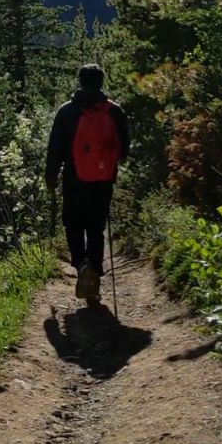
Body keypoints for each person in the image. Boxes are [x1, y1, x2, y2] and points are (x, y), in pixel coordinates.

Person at [45, 64, 130, 302]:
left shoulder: (67, 112)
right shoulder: (114, 111)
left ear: (80, 82)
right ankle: (94, 273)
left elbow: (55, 150)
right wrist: (107, 163)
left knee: (72, 223)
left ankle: (82, 263)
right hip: (103, 179)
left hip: (74, 177)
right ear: (102, 82)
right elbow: (125, 148)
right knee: (96, 226)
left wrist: (50, 178)